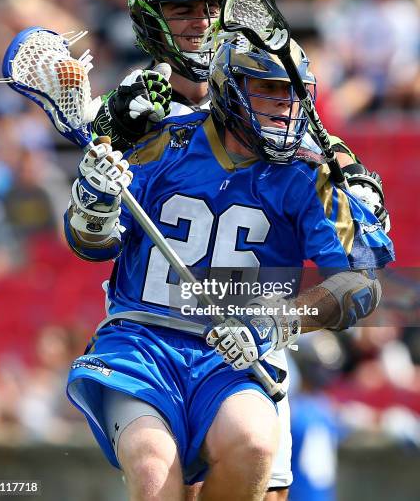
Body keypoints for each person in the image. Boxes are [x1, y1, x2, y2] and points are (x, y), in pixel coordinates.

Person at [65, 35, 394, 501]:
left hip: (234, 351)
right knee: (155, 469)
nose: (284, 104)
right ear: (229, 87)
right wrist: (94, 203)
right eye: (267, 88)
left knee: (255, 445)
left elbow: (362, 286)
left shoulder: (310, 175)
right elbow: (91, 245)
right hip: (144, 338)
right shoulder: (163, 143)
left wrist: (274, 322)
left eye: (291, 91)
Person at [92, 0, 390, 233]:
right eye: (184, 11)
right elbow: (92, 198)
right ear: (151, 23)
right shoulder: (130, 99)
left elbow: (314, 141)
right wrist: (115, 128)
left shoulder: (244, 83)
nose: (203, 23)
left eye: (211, 8)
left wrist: (355, 176)